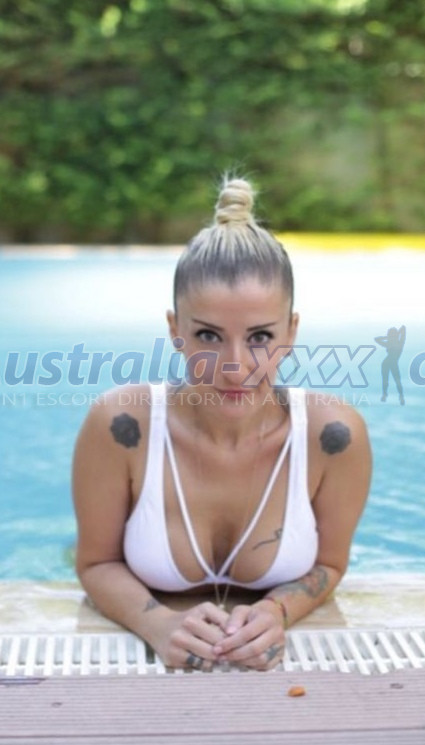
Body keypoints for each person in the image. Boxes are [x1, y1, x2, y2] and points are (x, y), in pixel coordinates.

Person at [72, 177, 372, 671]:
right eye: (209, 336)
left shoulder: (332, 437)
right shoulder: (122, 426)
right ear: (175, 330)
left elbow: (330, 564)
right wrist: (157, 624)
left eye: (260, 337)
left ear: (291, 332)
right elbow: (95, 562)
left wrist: (278, 611)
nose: (235, 366)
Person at [375, 325, 406, 404]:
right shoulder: (391, 343)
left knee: (397, 380)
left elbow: (403, 328)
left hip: (392, 363)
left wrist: (396, 333)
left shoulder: (399, 343)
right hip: (387, 363)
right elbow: (376, 339)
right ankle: (385, 395)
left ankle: (400, 396)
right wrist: (388, 337)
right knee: (386, 380)